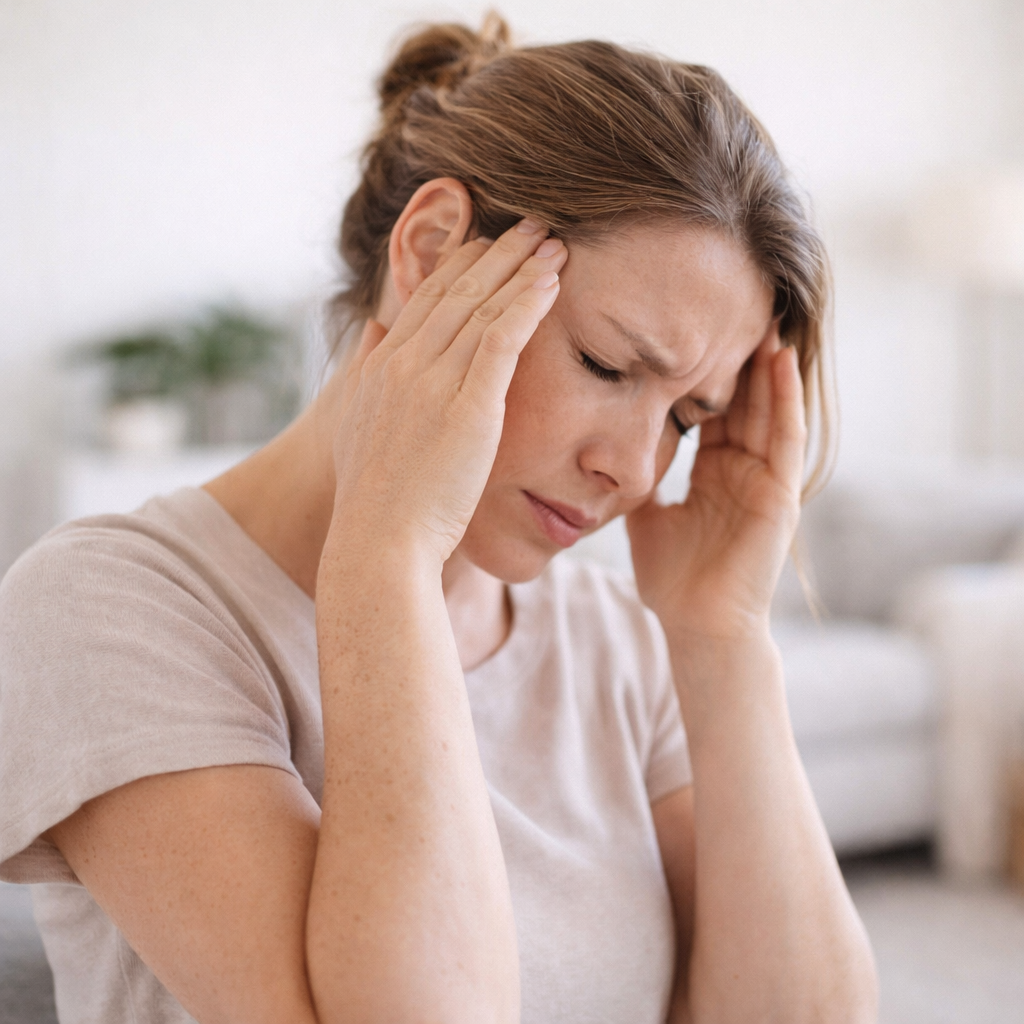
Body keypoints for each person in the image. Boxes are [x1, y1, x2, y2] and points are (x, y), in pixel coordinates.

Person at [0, 15, 878, 1024]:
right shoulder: (112, 610)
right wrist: (386, 554)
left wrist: (722, 636)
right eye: (606, 364)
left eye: (686, 416)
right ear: (427, 251)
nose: (635, 470)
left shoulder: (617, 651)